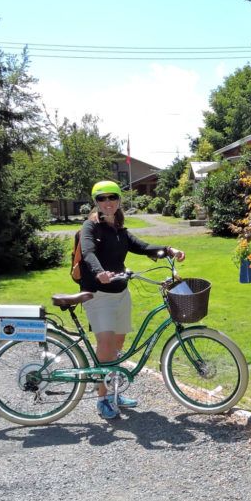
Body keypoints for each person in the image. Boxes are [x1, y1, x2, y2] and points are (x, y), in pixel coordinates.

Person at [78, 180, 186, 420]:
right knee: (106, 347)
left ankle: (114, 391)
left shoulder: (119, 230)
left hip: (120, 294)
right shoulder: (90, 227)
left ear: (118, 201)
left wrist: (170, 250)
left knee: (117, 348)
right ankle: (102, 399)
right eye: (102, 199)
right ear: (96, 203)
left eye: (112, 198)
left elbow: (143, 246)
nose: (108, 203)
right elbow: (88, 253)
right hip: (98, 295)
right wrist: (99, 272)